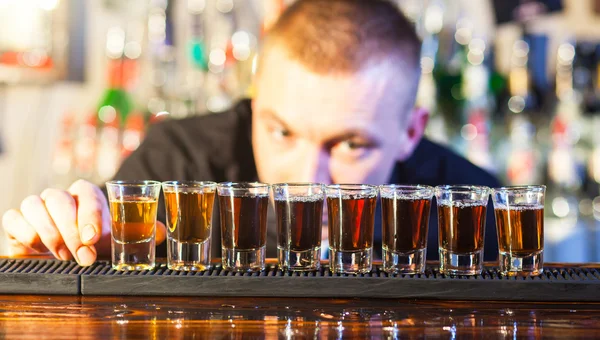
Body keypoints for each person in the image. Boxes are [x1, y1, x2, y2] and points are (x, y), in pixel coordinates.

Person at [1, 0, 500, 267]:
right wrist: (53, 258)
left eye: (351, 144)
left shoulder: (480, 214)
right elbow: (93, 260)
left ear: (410, 131)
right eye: (281, 131)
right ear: (254, 100)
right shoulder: (179, 162)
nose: (308, 180)